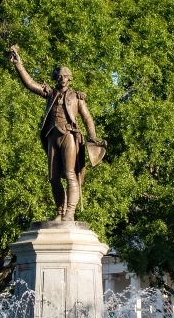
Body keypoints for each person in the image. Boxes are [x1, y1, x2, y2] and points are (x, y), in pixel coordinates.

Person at [8, 45, 104, 222]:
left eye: (65, 76)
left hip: (69, 136)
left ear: (70, 79)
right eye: (58, 76)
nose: (61, 79)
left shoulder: (76, 97)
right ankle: (60, 212)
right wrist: (18, 64)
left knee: (69, 174)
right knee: (53, 178)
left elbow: (88, 119)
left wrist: (92, 137)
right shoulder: (50, 93)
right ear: (55, 77)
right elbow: (29, 84)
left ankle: (70, 212)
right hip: (52, 136)